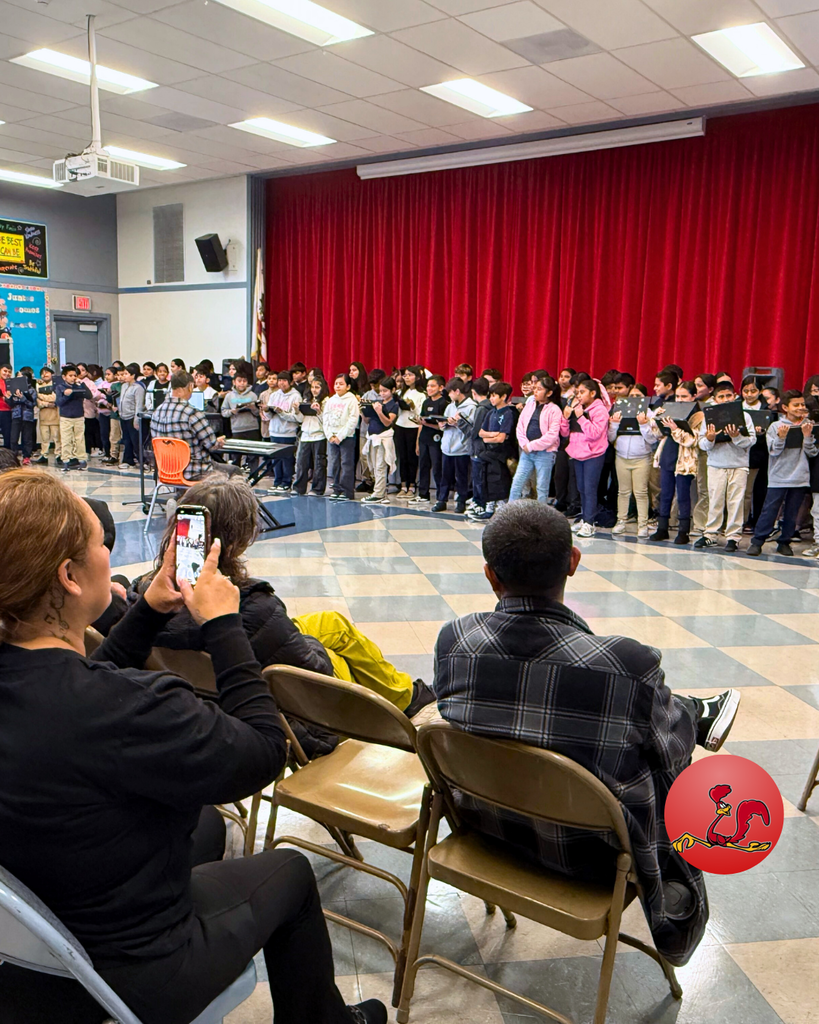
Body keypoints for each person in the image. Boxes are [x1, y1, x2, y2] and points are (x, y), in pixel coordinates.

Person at [0, 469, 386, 1024]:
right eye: (99, 546)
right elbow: (261, 750)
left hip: (33, 944)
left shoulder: (50, 687)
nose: (109, 556)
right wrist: (223, 626)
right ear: (69, 576)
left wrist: (150, 611)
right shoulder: (132, 706)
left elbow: (79, 690)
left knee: (206, 824)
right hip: (129, 970)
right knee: (290, 874)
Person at [433, 501, 743, 968]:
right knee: (664, 760)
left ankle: (688, 710)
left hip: (485, 828)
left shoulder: (453, 640)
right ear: (573, 562)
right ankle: (690, 712)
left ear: (490, 576)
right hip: (591, 860)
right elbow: (673, 757)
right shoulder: (625, 664)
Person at [135, 475, 434, 729]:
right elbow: (314, 672)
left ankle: (405, 694)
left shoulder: (147, 594)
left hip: (194, 693)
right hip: (284, 710)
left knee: (333, 623)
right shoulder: (253, 606)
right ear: (240, 539)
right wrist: (308, 642)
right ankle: (406, 701)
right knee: (342, 654)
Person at [748, 389, 819, 557]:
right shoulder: (775, 426)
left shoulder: (807, 424)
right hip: (778, 477)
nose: (800, 407)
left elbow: (812, 452)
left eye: (802, 404)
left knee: (792, 512)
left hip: (800, 477)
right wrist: (781, 437)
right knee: (770, 509)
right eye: (796, 405)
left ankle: (785, 541)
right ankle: (758, 541)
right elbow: (773, 452)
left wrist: (808, 436)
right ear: (786, 407)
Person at [694, 381, 755, 551]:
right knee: (715, 500)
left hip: (739, 465)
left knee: (736, 501)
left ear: (735, 397)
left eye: (729, 395)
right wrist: (711, 438)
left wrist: (736, 437)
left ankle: (733, 537)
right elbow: (702, 444)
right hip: (716, 465)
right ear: (715, 399)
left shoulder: (745, 416)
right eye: (721, 396)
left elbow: (751, 441)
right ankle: (711, 534)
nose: (725, 399)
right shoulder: (709, 417)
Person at [150, 371, 229, 481]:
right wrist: (218, 441)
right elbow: (211, 444)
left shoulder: (156, 413)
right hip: (195, 471)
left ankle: (180, 496)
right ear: (190, 387)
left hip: (166, 470)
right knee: (234, 471)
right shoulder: (192, 413)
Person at [649, 381, 701, 545]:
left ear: (693, 397)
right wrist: (655, 418)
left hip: (684, 460)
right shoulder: (669, 407)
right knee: (665, 494)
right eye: (678, 396)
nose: (680, 399)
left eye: (684, 396)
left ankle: (683, 531)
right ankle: (662, 528)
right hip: (668, 454)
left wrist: (675, 429)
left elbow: (693, 440)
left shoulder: (698, 416)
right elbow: (658, 433)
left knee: (683, 496)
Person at [559, 378, 609, 537]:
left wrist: (581, 417)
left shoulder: (599, 410)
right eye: (577, 393)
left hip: (593, 454)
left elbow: (595, 433)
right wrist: (565, 418)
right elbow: (565, 433)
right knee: (581, 488)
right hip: (577, 451)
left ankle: (589, 522)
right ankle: (584, 516)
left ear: (593, 393)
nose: (578, 396)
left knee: (590, 488)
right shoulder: (577, 407)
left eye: (582, 392)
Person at [509, 374, 562, 503]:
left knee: (541, 487)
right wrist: (524, 444)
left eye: (539, 389)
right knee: (517, 482)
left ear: (549, 393)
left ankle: (541, 515)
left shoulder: (555, 409)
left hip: (545, 453)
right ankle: (508, 511)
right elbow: (520, 427)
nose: (535, 391)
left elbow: (552, 435)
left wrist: (532, 445)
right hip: (527, 451)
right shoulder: (530, 404)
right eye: (535, 388)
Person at [469, 381, 516, 521]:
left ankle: (501, 507)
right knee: (486, 477)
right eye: (491, 395)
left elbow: (502, 438)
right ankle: (488, 506)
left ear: (503, 396)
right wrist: (493, 435)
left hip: (501, 453)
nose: (491, 399)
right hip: (488, 451)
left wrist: (494, 436)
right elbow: (482, 433)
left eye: (495, 396)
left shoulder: (508, 413)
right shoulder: (490, 412)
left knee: (499, 479)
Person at [608, 402, 656, 538]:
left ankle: (642, 525)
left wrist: (643, 425)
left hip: (641, 458)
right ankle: (621, 521)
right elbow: (610, 438)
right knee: (623, 491)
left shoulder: (648, 414)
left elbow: (652, 439)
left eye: (637, 397)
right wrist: (614, 425)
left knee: (640, 492)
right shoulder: (619, 412)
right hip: (622, 457)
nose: (634, 400)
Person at [432, 377, 476, 514]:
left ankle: (461, 501)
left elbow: (471, 428)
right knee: (445, 475)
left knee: (461, 476)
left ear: (457, 391)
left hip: (461, 447)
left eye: (450, 393)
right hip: (447, 447)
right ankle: (441, 500)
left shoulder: (471, 407)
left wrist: (458, 423)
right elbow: (443, 425)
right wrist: (443, 424)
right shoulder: (450, 406)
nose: (449, 396)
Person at [410, 374, 448, 507]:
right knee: (423, 466)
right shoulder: (426, 402)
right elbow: (422, 422)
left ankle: (440, 496)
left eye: (433, 386)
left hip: (436, 439)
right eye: (428, 386)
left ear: (441, 387)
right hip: (424, 438)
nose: (429, 388)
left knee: (437, 467)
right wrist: (418, 441)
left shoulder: (444, 403)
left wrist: (428, 424)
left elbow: (443, 426)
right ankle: (423, 494)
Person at [361, 376, 399, 506]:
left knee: (380, 466)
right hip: (372, 437)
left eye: (385, 391)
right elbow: (367, 421)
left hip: (383, 438)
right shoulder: (378, 402)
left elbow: (388, 422)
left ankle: (379, 494)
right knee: (372, 466)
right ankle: (378, 491)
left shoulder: (393, 405)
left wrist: (379, 412)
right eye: (381, 391)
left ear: (393, 390)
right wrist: (363, 410)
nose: (382, 394)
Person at [324, 374, 360, 502]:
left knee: (346, 464)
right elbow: (326, 418)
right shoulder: (331, 400)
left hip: (346, 437)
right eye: (336, 383)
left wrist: (340, 435)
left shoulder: (352, 400)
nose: (337, 386)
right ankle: (336, 489)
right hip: (332, 437)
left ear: (348, 386)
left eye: (341, 384)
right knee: (334, 463)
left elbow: (353, 420)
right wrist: (330, 435)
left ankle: (347, 491)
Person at [293, 377, 328, 496]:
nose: (314, 390)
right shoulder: (306, 399)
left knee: (318, 464)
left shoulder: (326, 401)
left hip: (319, 435)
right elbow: (300, 419)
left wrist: (319, 412)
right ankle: (299, 488)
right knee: (301, 462)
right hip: (305, 435)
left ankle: (317, 489)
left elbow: (327, 421)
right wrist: (297, 410)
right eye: (312, 387)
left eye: (317, 387)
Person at [266, 370, 301, 490]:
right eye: (279, 380)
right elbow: (268, 417)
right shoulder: (274, 395)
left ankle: (286, 482)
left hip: (288, 432)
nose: (281, 383)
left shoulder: (296, 396)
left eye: (284, 380)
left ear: (290, 382)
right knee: (276, 458)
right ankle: (277, 481)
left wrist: (282, 413)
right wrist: (267, 410)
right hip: (274, 431)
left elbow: (295, 417)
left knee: (286, 459)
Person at [55, 363, 93, 471]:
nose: (73, 378)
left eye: (74, 375)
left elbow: (89, 396)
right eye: (70, 375)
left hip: (79, 416)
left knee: (79, 439)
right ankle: (66, 460)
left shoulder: (79, 385)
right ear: (64, 377)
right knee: (66, 439)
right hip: (66, 417)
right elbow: (59, 402)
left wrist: (82, 385)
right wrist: (67, 395)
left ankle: (81, 460)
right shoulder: (60, 387)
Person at [394, 366, 425, 497]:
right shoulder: (402, 392)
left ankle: (412, 485)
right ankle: (403, 485)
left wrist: (411, 406)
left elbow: (420, 414)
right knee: (402, 457)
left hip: (412, 427)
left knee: (412, 457)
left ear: (417, 378)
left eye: (410, 375)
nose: (406, 377)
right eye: (405, 375)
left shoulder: (421, 394)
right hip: (400, 425)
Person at [467, 377, 493, 517]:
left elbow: (475, 431)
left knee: (478, 478)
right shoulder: (489, 405)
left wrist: (463, 426)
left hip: (479, 448)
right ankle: (479, 501)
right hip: (485, 447)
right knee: (479, 477)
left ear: (473, 392)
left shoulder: (482, 408)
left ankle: (479, 503)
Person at [220, 364, 261, 444]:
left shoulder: (252, 395)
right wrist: (232, 412)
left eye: (244, 381)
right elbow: (223, 412)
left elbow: (259, 413)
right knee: (236, 454)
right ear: (234, 382)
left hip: (252, 428)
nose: (242, 383)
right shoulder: (229, 396)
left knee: (252, 454)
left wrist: (253, 409)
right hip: (237, 428)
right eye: (239, 381)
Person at [116, 363, 145, 470]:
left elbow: (139, 405)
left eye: (126, 374)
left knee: (135, 440)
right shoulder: (124, 386)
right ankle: (128, 460)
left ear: (133, 375)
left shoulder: (138, 388)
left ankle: (143, 460)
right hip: (123, 416)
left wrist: (137, 419)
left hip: (132, 416)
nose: (124, 376)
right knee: (126, 439)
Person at [7, 369, 37, 465]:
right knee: (13, 438)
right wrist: (9, 398)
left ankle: (26, 456)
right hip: (16, 416)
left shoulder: (32, 390)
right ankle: (13, 456)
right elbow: (11, 404)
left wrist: (22, 398)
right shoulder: (13, 390)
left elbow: (32, 404)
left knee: (27, 438)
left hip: (27, 417)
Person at [33, 365, 59, 465]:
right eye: (42, 373)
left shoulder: (56, 384)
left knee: (57, 438)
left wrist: (42, 397)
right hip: (43, 416)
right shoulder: (38, 385)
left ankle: (58, 455)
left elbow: (55, 397)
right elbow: (37, 401)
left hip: (55, 416)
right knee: (44, 438)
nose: (44, 374)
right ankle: (44, 455)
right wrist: (47, 403)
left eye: (47, 372)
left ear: (52, 374)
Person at [0, 364, 11, 449]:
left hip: (7, 411)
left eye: (9, 372)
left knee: (7, 434)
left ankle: (7, 454)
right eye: (5, 371)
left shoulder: (12, 383)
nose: (7, 373)